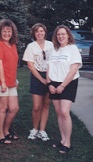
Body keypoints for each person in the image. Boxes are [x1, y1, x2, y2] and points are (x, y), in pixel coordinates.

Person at [47, 25, 82, 153]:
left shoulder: (72, 49)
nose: (61, 36)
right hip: (54, 83)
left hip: (69, 82)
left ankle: (68, 142)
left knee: (64, 112)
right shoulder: (54, 50)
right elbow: (49, 68)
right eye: (58, 34)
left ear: (68, 35)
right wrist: (49, 84)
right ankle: (62, 139)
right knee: (58, 112)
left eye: (63, 34)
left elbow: (73, 69)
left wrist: (62, 86)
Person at [22, 23, 54, 141]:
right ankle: (34, 129)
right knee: (36, 106)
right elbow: (30, 65)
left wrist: (49, 78)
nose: (39, 33)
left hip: (50, 75)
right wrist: (41, 79)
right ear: (34, 34)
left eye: (41, 31)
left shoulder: (51, 45)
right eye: (37, 31)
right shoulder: (31, 46)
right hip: (37, 76)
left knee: (46, 104)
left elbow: (54, 61)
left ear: (45, 32)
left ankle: (42, 130)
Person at [0, 19, 19, 144]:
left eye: (9, 31)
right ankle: (0, 135)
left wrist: (14, 80)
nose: (6, 33)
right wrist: (3, 82)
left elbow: (13, 64)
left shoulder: (13, 45)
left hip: (11, 82)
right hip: (0, 82)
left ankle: (6, 130)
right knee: (2, 108)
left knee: (14, 108)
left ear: (12, 32)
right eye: (4, 31)